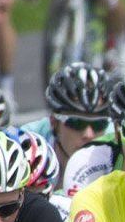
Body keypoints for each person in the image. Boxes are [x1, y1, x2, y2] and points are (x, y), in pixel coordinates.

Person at [20, 62, 113, 196]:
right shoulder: (28, 142)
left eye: (99, 124)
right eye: (77, 123)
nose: (89, 134)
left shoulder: (117, 142)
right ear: (54, 122)